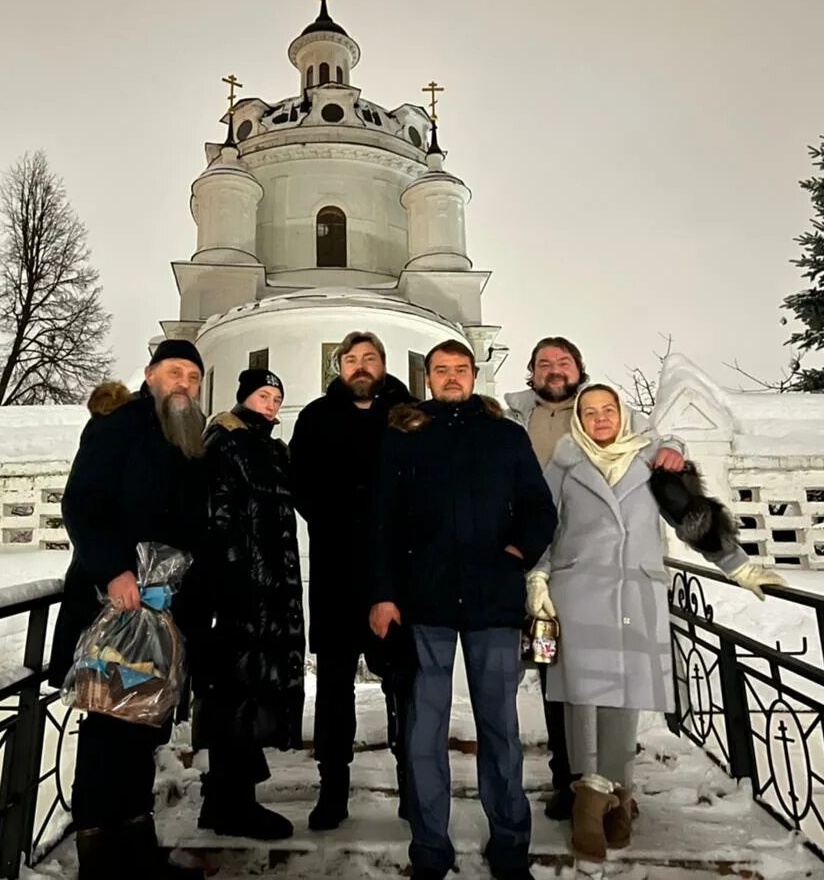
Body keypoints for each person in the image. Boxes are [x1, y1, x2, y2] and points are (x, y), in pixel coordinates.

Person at [527, 383, 785, 862]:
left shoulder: (652, 460)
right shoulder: (563, 462)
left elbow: (691, 518)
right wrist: (537, 579)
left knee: (624, 697)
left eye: (608, 410)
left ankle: (619, 795)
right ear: (578, 419)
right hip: (578, 592)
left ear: (623, 415)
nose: (600, 418)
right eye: (589, 411)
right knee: (582, 697)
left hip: (635, 593)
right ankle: (587, 801)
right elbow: (545, 527)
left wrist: (739, 565)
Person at [370, 340, 558, 880]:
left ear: (475, 375)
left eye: (461, 370)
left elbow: (539, 507)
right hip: (422, 601)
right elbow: (381, 520)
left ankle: (509, 844)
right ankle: (430, 847)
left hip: (491, 600)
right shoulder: (404, 438)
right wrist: (383, 594)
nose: (451, 378)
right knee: (424, 730)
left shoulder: (504, 436)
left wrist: (518, 551)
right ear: (427, 377)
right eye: (441, 370)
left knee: (499, 726)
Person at [503, 336, 686, 820]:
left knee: (608, 679)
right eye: (544, 363)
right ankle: (571, 778)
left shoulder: (605, 410)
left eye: (563, 362)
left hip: (597, 578)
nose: (554, 369)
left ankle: (606, 783)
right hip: (538, 568)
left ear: (579, 369)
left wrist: (676, 448)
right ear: (532, 373)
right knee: (552, 672)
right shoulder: (517, 418)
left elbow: (661, 443)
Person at [47, 340, 208, 880]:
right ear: (150, 375)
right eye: (174, 372)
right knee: (108, 731)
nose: (183, 382)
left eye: (192, 375)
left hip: (163, 615)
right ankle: (101, 859)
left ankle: (138, 851)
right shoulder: (119, 424)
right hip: (115, 608)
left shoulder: (188, 440)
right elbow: (82, 503)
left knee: (144, 732)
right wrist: (114, 570)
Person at [288, 331, 417, 829]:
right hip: (338, 569)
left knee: (402, 682)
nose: (360, 367)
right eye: (350, 360)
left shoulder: (408, 415)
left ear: (383, 364)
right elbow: (300, 481)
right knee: (335, 685)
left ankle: (412, 781)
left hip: (396, 571)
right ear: (338, 368)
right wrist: (333, 518)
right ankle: (333, 787)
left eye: (369, 358)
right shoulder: (317, 417)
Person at [191, 368, 306, 842]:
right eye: (263, 395)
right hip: (242, 592)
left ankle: (226, 798)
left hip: (270, 590)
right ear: (243, 398)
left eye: (277, 397)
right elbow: (218, 516)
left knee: (250, 691)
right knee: (235, 692)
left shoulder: (271, 449)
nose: (271, 404)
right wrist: (234, 580)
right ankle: (232, 802)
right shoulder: (227, 443)